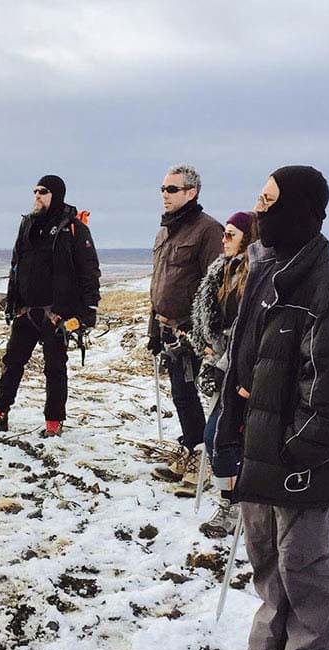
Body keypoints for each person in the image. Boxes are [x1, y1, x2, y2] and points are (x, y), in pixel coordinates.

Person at [216, 166, 329, 650]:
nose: (258, 212)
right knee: (265, 557)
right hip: (259, 439)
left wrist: (299, 450)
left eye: (269, 202)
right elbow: (249, 355)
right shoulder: (265, 269)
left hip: (302, 452)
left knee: (303, 565)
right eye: (257, 201)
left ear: (300, 211)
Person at [0, 175, 100, 437]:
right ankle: (0, 412)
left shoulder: (73, 227)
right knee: (12, 362)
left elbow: (90, 271)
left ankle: (54, 422)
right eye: (35, 191)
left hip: (57, 314)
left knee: (54, 368)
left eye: (43, 191)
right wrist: (12, 302)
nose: (37, 195)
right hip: (26, 311)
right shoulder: (28, 224)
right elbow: (15, 265)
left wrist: (89, 311)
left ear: (56, 195)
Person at [147, 164, 223, 485]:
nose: (164, 195)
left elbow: (215, 286)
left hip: (190, 332)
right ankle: (191, 450)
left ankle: (202, 460)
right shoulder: (165, 231)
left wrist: (199, 330)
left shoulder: (208, 231)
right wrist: (153, 329)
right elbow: (160, 282)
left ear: (191, 192)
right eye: (163, 189)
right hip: (166, 328)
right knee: (180, 394)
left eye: (172, 189)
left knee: (188, 392)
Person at [190, 211, 255, 536]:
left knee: (220, 437)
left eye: (231, 234)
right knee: (216, 437)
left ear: (249, 237)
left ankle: (235, 505)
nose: (223, 240)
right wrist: (206, 344)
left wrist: (230, 362)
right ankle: (231, 500)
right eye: (224, 234)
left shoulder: (258, 275)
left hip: (243, 372)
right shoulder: (223, 271)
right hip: (221, 366)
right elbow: (210, 319)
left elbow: (251, 332)